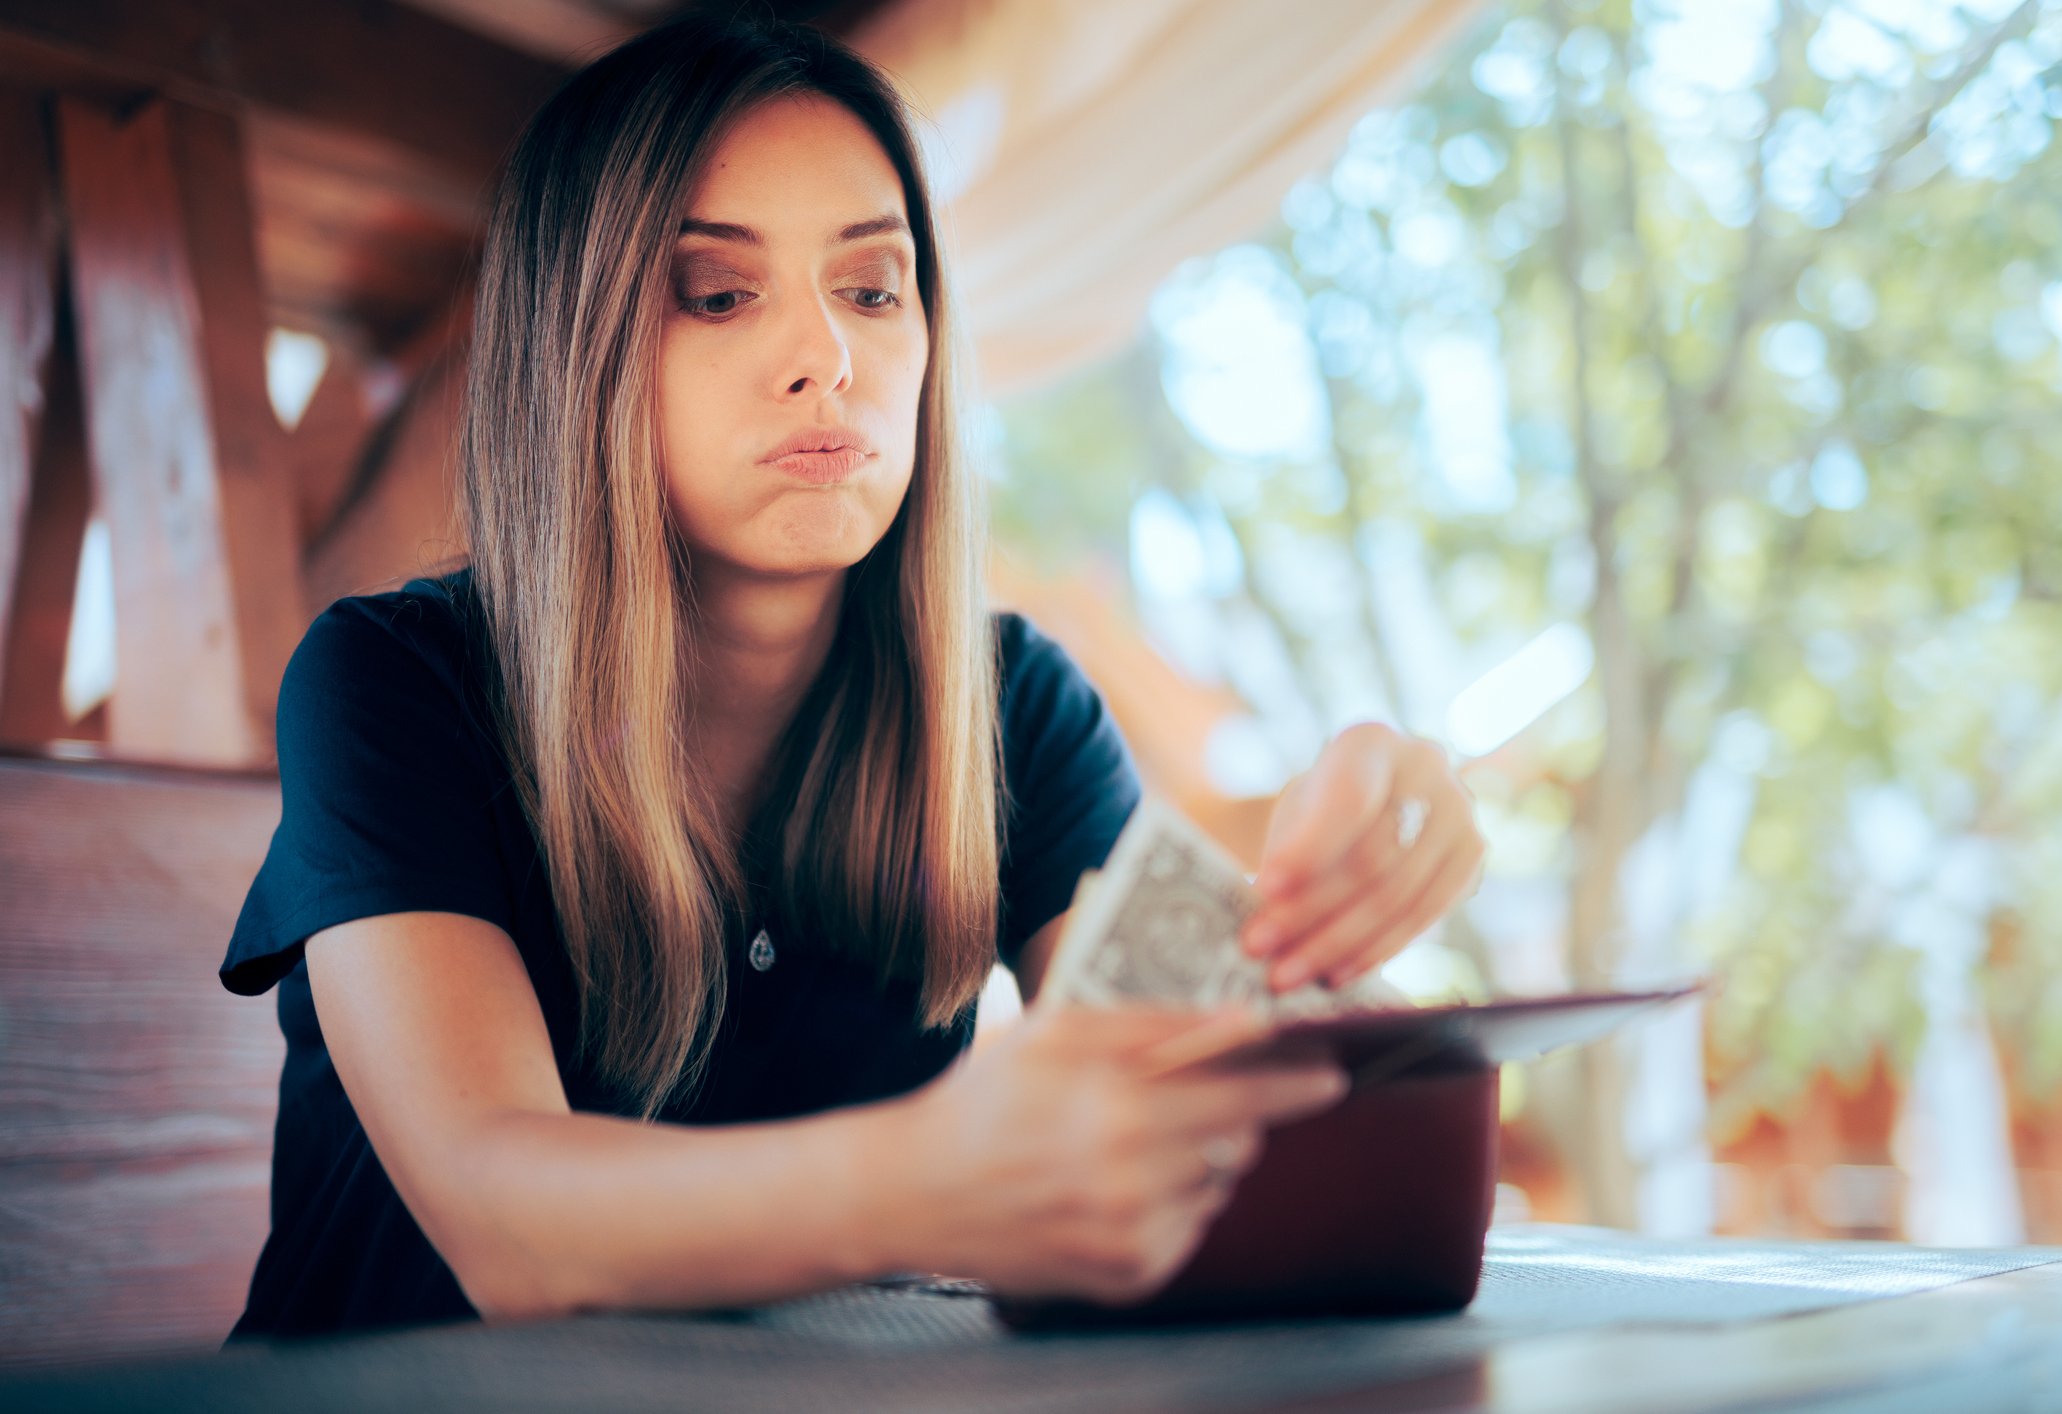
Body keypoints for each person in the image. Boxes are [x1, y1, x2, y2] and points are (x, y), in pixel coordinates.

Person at [217, 14, 1486, 1341]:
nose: (828, 355)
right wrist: (931, 1180)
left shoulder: (1012, 707)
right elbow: (505, 1225)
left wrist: (1333, 901)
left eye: (873, 290)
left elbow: (1217, 1090)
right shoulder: (389, 685)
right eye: (716, 293)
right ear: (571, 349)